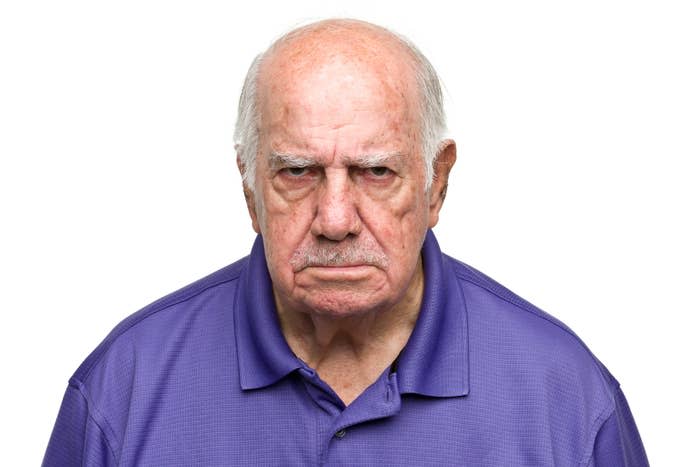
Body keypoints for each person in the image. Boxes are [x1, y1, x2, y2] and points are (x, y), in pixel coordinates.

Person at [43, 19, 648, 466]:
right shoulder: (122, 390)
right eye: (297, 172)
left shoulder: (566, 396)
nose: (334, 219)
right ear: (250, 189)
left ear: (436, 184)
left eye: (375, 173)